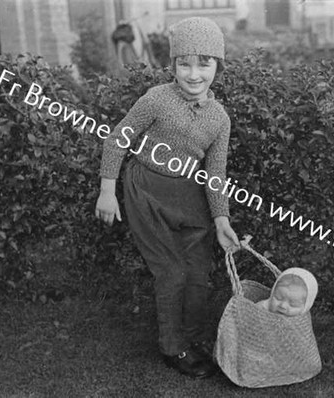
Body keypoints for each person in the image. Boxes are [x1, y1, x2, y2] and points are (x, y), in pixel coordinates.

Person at [95, 17, 240, 379]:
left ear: (217, 66)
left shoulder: (220, 118)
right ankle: (173, 347)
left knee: (196, 274)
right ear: (172, 65)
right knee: (171, 274)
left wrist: (221, 220)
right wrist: (107, 192)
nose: (193, 74)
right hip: (146, 190)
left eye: (204, 64)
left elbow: (216, 175)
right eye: (184, 64)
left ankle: (193, 339)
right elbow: (118, 139)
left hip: (189, 194)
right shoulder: (156, 99)